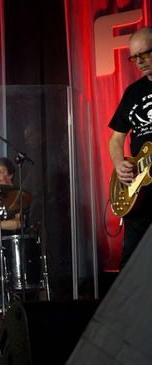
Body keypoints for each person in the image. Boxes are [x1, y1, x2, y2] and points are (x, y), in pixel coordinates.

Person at [109, 27, 152, 269]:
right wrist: (119, 163)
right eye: (134, 57)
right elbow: (116, 138)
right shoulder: (133, 92)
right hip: (139, 187)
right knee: (132, 262)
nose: (139, 61)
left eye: (144, 54)